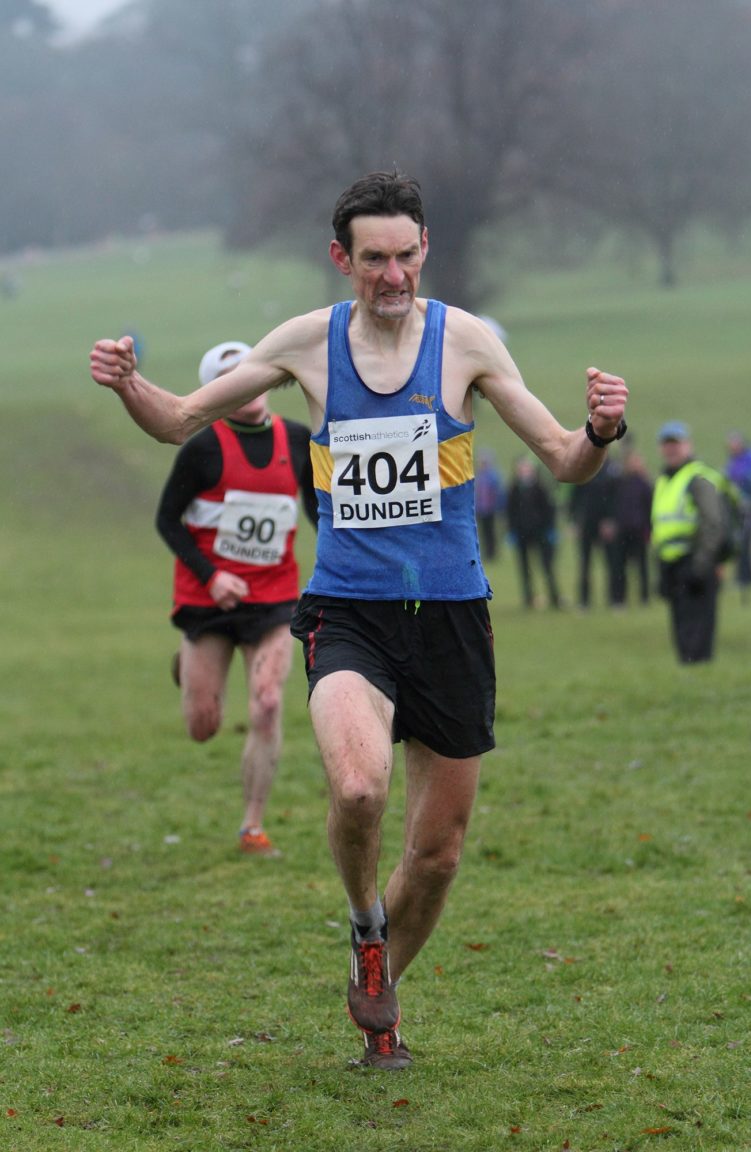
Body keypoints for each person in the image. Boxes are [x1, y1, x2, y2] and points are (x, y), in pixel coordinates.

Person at [90, 170, 628, 1071]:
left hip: (452, 616)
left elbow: (563, 459)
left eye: (406, 256)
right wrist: (128, 385)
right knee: (359, 789)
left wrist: (601, 430)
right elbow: (178, 420)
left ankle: (378, 982)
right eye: (374, 259)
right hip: (348, 610)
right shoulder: (308, 343)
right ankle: (364, 921)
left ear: (426, 250)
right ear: (342, 259)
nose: (393, 276)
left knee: (438, 855)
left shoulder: (467, 342)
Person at [155, 341, 318, 856]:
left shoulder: (297, 439)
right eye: (231, 377)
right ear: (216, 391)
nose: (247, 384)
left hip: (275, 598)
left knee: (267, 703)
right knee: (202, 728)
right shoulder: (202, 449)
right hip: (210, 600)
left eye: (252, 371)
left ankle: (252, 826)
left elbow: (320, 511)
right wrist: (212, 577)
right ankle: (190, 664)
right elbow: (167, 520)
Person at [652, 421, 725, 663]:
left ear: (688, 445)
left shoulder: (697, 478)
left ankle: (699, 673)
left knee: (697, 631)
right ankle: (689, 672)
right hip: (672, 565)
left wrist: (701, 565)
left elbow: (713, 523)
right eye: (666, 444)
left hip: (694, 563)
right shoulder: (665, 480)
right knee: (682, 628)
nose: (671, 449)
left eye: (676, 443)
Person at [505, 456, 561, 609]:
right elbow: (510, 512)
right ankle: (528, 598)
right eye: (522, 469)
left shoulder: (540, 488)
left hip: (540, 533)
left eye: (527, 469)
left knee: (547, 566)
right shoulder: (514, 489)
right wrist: (511, 530)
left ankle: (554, 597)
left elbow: (549, 510)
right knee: (524, 568)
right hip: (521, 534)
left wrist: (550, 529)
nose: (525, 472)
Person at [568, 459, 622, 609]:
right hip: (587, 524)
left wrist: (610, 520)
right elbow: (575, 497)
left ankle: (616, 600)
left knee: (612, 563)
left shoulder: (612, 470)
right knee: (585, 564)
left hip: (605, 523)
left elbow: (615, 498)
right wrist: (574, 521)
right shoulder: (583, 467)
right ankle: (584, 601)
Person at [725, 430, 751, 597]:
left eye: (734, 444)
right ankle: (747, 576)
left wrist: (743, 477)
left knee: (745, 542)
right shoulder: (733, 460)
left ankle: (745, 578)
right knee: (741, 542)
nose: (732, 447)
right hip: (737, 508)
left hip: (749, 507)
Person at [613, 450, 653, 606]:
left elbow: (649, 508)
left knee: (642, 566)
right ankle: (619, 598)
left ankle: (644, 597)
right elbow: (615, 505)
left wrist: (649, 529)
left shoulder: (644, 484)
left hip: (639, 529)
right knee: (620, 566)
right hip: (623, 529)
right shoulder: (620, 483)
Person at [474, 449, 504, 561]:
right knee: (483, 532)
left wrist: (498, 506)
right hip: (480, 509)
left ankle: (492, 553)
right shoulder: (479, 476)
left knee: (491, 531)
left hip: (490, 509)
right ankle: (486, 552)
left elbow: (498, 492)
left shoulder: (493, 476)